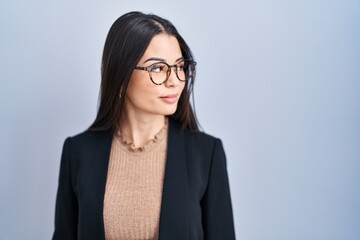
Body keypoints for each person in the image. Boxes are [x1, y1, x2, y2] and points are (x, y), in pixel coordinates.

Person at [52, 11, 235, 240]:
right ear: (121, 76)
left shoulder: (206, 154)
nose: (174, 80)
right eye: (158, 68)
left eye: (179, 66)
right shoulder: (78, 152)